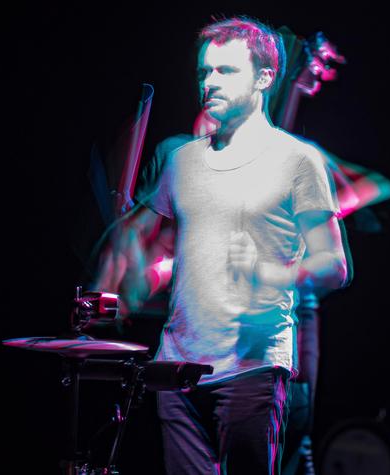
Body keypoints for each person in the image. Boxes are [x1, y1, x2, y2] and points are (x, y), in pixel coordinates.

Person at [92, 16, 349, 475]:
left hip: (252, 367)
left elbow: (334, 265)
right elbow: (135, 239)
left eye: (225, 70)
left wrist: (269, 273)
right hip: (176, 366)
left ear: (264, 78)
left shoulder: (298, 161)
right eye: (204, 71)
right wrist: (127, 274)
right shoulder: (181, 162)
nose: (209, 81)